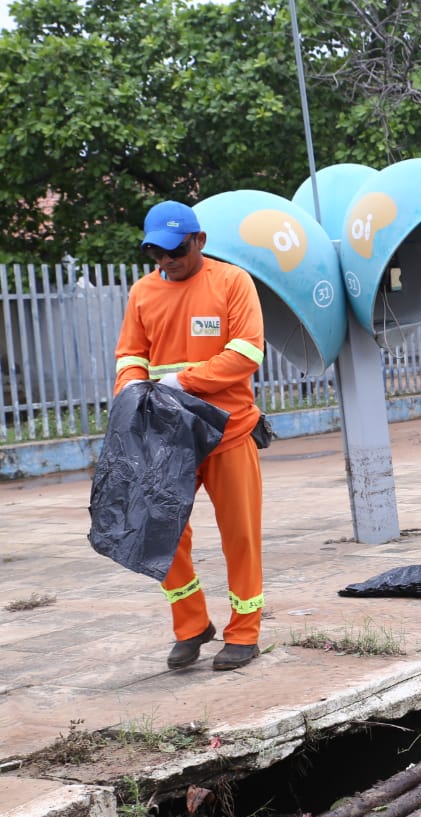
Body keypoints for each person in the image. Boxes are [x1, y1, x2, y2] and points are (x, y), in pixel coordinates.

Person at [113, 200, 267, 671]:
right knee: (162, 532)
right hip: (168, 436)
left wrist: (181, 380)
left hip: (228, 431)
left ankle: (245, 633)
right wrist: (132, 389)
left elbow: (245, 353)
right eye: (155, 253)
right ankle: (191, 624)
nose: (166, 261)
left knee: (239, 536)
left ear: (199, 241)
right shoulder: (142, 293)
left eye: (174, 250)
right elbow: (129, 355)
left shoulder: (232, 283)